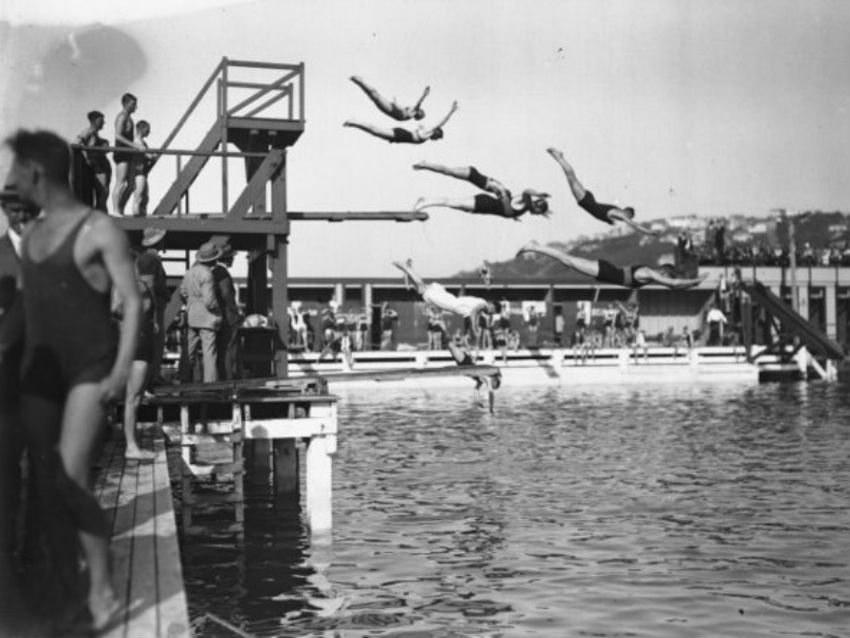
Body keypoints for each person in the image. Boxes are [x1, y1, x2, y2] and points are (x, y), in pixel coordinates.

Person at [7, 129, 142, 630]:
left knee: (68, 472)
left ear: (36, 174)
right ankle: (67, 585)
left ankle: (103, 584)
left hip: (88, 368)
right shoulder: (34, 234)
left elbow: (132, 302)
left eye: (14, 172)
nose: (6, 181)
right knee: (45, 480)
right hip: (39, 371)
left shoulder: (97, 228)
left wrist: (122, 367)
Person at [546, 147, 657, 236]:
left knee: (571, 177)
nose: (626, 220)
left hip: (588, 199)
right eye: (628, 217)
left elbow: (603, 214)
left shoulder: (616, 213)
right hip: (586, 201)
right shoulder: (621, 214)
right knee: (570, 176)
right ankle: (559, 157)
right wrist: (648, 232)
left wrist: (608, 221)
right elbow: (634, 225)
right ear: (627, 213)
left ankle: (560, 158)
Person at [517, 241, 708, 290]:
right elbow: (673, 284)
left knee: (568, 260)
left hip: (606, 272)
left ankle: (536, 246)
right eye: (666, 276)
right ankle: (535, 246)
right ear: (664, 272)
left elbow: (673, 286)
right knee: (567, 260)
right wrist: (697, 280)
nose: (665, 280)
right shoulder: (649, 272)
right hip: (605, 271)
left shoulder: (651, 275)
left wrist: (692, 284)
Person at [392, 260, 492, 347]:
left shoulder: (475, 309)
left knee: (421, 290)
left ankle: (410, 270)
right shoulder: (482, 304)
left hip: (447, 299)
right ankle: (408, 269)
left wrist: (473, 332)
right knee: (422, 289)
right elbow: (475, 313)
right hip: (448, 301)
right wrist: (474, 329)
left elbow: (473, 316)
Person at [412, 161, 551, 219]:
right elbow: (525, 192)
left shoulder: (520, 207)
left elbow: (510, 205)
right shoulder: (521, 202)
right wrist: (537, 194)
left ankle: (426, 199)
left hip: (482, 205)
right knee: (450, 200)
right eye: (539, 212)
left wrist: (512, 213)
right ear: (537, 206)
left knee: (452, 203)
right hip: (479, 192)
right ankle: (426, 200)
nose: (537, 214)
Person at [118, 270, 158, 462]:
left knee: (136, 398)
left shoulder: (137, 288)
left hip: (142, 342)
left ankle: (132, 441)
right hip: (139, 344)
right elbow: (116, 309)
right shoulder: (138, 287)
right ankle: (131, 446)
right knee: (132, 398)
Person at [178, 241, 222, 383]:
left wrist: (191, 304)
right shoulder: (208, 274)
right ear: (213, 259)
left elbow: (182, 293)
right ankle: (210, 384)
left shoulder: (190, 272)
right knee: (209, 353)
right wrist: (218, 311)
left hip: (192, 316)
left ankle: (182, 380)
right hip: (207, 319)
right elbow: (210, 301)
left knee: (188, 352)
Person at [135, 226, 169, 386]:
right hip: (152, 309)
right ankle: (150, 378)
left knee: (156, 343)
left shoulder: (149, 258)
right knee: (154, 343)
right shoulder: (150, 260)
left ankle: (153, 376)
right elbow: (148, 288)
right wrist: (153, 315)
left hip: (154, 308)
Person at [344, 101, 458, 144]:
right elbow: (442, 122)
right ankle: (354, 122)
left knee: (375, 131)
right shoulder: (429, 132)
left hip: (401, 136)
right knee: (375, 131)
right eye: (437, 137)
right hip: (402, 135)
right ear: (436, 133)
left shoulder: (426, 134)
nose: (436, 139)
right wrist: (451, 111)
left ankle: (355, 122)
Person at [211, 242, 240, 380]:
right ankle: (228, 381)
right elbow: (226, 295)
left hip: (220, 317)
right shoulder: (223, 273)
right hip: (228, 318)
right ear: (228, 259)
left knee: (221, 350)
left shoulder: (214, 272)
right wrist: (236, 313)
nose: (234, 259)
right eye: (232, 257)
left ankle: (223, 379)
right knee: (229, 351)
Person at [75, 110, 111, 212]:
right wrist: (87, 157)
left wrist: (104, 143)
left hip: (102, 166)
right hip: (97, 167)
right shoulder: (88, 131)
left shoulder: (95, 134)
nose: (103, 122)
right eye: (101, 120)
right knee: (102, 192)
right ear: (95, 120)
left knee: (103, 193)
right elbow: (77, 142)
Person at [350, 75, 430, 121]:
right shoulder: (409, 115)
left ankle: (360, 81)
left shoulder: (411, 114)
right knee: (374, 95)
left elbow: (418, 103)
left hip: (390, 108)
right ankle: (360, 82)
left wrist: (425, 94)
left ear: (417, 113)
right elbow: (418, 103)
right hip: (389, 108)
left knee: (374, 94)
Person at [111, 92, 139, 215]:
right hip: (121, 153)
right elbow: (117, 135)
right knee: (121, 183)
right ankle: (116, 211)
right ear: (127, 104)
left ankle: (120, 207)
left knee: (131, 185)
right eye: (133, 104)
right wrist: (134, 145)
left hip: (128, 154)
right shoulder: (121, 117)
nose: (135, 107)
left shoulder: (130, 119)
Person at [131, 120, 155, 217]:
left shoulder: (143, 142)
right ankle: (137, 215)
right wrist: (151, 156)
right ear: (142, 129)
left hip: (143, 171)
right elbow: (147, 155)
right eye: (147, 129)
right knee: (139, 195)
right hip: (138, 171)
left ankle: (141, 214)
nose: (149, 131)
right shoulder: (136, 141)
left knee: (145, 197)